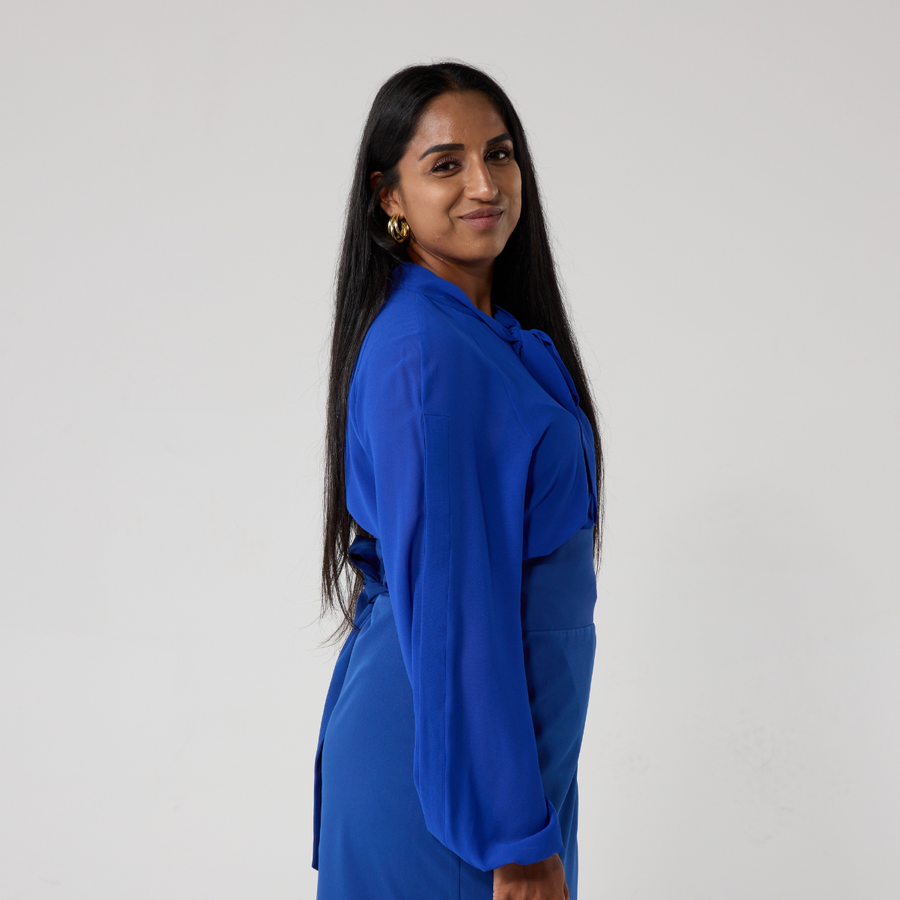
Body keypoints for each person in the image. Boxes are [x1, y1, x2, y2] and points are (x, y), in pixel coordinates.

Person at [311, 61, 604, 900]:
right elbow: (454, 610)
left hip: (505, 764)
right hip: (454, 779)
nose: (486, 183)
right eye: (446, 164)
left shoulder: (485, 335)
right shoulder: (428, 354)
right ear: (390, 197)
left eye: (500, 154)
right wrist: (512, 837)